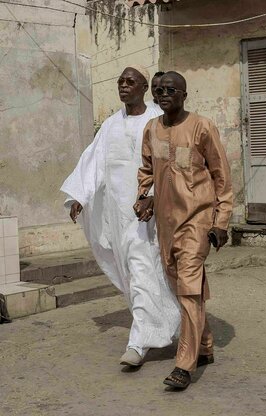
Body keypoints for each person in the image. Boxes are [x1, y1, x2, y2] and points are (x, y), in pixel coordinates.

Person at [61, 65, 180, 367]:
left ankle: (138, 342)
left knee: (144, 270)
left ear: (143, 87)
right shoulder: (111, 125)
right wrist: (79, 196)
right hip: (118, 214)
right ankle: (168, 326)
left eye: (131, 82)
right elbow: (93, 162)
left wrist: (155, 196)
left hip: (150, 213)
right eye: (120, 82)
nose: (124, 86)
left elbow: (172, 163)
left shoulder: (157, 120)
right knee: (133, 274)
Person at [134, 71, 233, 390]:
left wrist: (221, 222)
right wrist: (144, 197)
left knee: (189, 287)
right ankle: (204, 346)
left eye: (170, 90)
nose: (162, 94)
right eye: (158, 90)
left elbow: (222, 178)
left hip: (197, 220)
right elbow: (147, 171)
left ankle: (184, 364)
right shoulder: (151, 129)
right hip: (166, 224)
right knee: (182, 286)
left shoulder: (202, 127)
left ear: (184, 95)